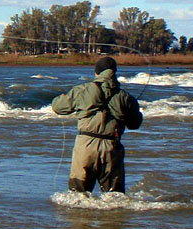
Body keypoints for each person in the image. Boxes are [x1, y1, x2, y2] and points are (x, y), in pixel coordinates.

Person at [51, 57, 143, 193]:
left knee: (77, 196)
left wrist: (61, 97)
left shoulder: (81, 90)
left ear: (96, 73)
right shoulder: (126, 97)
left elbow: (57, 107)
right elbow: (135, 124)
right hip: (112, 149)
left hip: (85, 148)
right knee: (114, 197)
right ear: (114, 73)